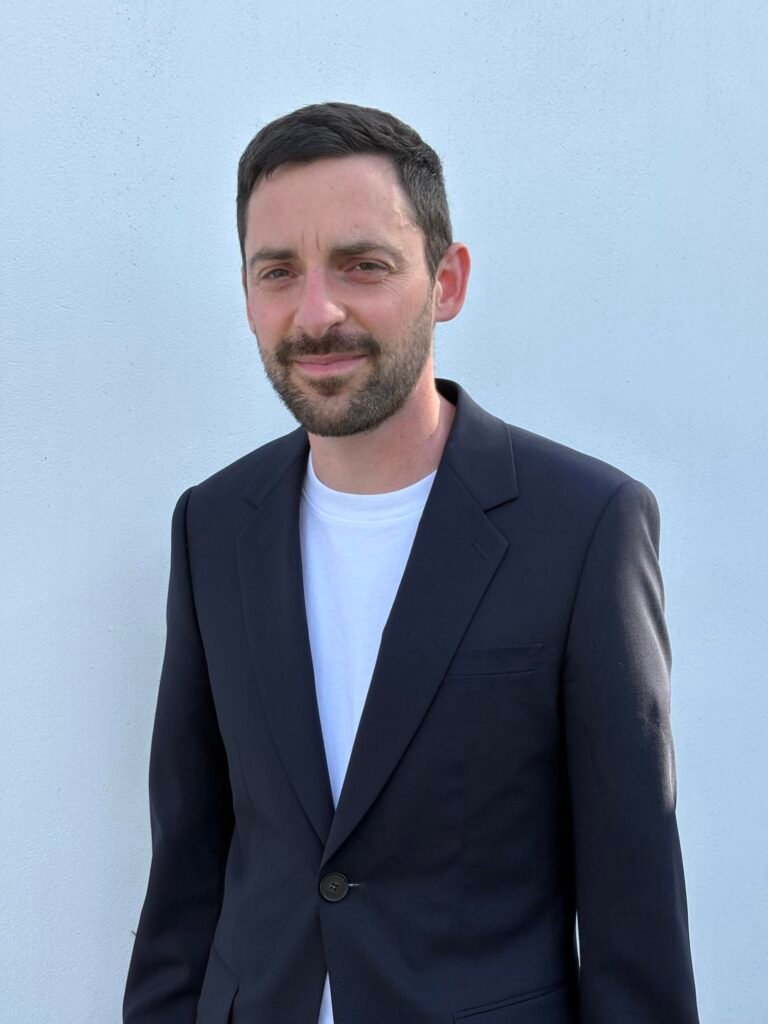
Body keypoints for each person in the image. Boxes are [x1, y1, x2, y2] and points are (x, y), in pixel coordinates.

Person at [122, 101, 700, 1024]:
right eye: (279, 272)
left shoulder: (586, 526)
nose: (318, 313)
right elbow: (186, 871)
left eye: (364, 265)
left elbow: (636, 916)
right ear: (247, 294)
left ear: (446, 280)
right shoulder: (213, 525)